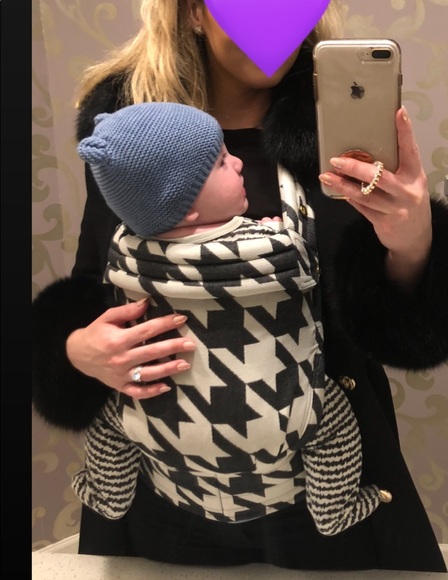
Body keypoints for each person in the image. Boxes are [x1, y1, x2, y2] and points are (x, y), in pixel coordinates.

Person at [32, 0, 448, 572]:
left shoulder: (338, 125)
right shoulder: (134, 136)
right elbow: (91, 286)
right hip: (164, 476)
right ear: (193, 12)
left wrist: (413, 239)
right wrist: (77, 351)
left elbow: (397, 332)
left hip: (326, 477)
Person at [72, 100, 391, 537]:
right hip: (279, 409)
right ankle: (333, 509)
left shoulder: (127, 249)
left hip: (163, 414)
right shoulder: (273, 244)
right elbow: (289, 250)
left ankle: (107, 496)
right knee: (332, 425)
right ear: (186, 207)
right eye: (222, 161)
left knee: (111, 423)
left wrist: (78, 349)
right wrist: (275, 230)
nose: (238, 162)